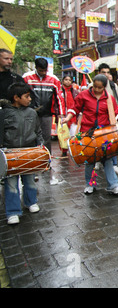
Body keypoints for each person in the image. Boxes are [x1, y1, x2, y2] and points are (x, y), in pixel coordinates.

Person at [61, 74, 118, 195]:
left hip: (104, 133)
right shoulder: (84, 95)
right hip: (88, 133)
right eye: (94, 87)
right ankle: (90, 185)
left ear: (104, 87)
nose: (96, 90)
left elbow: (116, 113)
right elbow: (74, 108)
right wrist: (67, 118)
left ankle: (113, 185)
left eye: (99, 87)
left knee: (107, 160)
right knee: (90, 160)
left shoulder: (109, 98)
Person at [0, 82, 43, 225]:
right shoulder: (4, 113)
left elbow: (38, 131)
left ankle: (31, 202)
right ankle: (12, 212)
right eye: (26, 96)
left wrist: (40, 146)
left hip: (29, 151)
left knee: (29, 181)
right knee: (11, 184)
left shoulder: (32, 112)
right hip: (10, 153)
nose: (30, 99)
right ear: (16, 98)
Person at [23, 57, 64, 154]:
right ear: (36, 68)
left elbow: (59, 98)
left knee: (46, 137)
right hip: (30, 113)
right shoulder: (27, 77)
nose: (43, 73)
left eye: (45, 70)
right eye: (41, 70)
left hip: (47, 114)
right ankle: (33, 159)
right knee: (31, 136)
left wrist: (61, 114)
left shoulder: (53, 79)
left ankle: (46, 160)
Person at [96, 63, 118, 175]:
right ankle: (97, 161)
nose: (106, 75)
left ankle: (114, 165)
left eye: (107, 72)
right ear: (98, 73)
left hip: (112, 119)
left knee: (113, 142)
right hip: (98, 120)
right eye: (103, 72)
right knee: (98, 143)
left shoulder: (113, 85)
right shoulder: (93, 86)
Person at [60, 75, 79, 156]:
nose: (67, 81)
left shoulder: (75, 92)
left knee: (73, 133)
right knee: (63, 133)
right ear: (63, 80)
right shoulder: (59, 91)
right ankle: (64, 150)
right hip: (63, 114)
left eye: (69, 80)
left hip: (73, 115)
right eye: (66, 79)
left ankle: (74, 149)